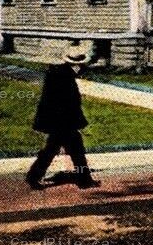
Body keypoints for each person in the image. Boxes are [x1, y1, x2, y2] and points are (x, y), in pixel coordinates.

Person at [26, 45, 99, 190]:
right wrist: (75, 122)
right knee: (74, 152)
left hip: (59, 122)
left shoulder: (58, 74)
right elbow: (68, 103)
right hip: (63, 122)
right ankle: (84, 180)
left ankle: (34, 176)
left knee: (56, 150)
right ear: (77, 65)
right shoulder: (64, 77)